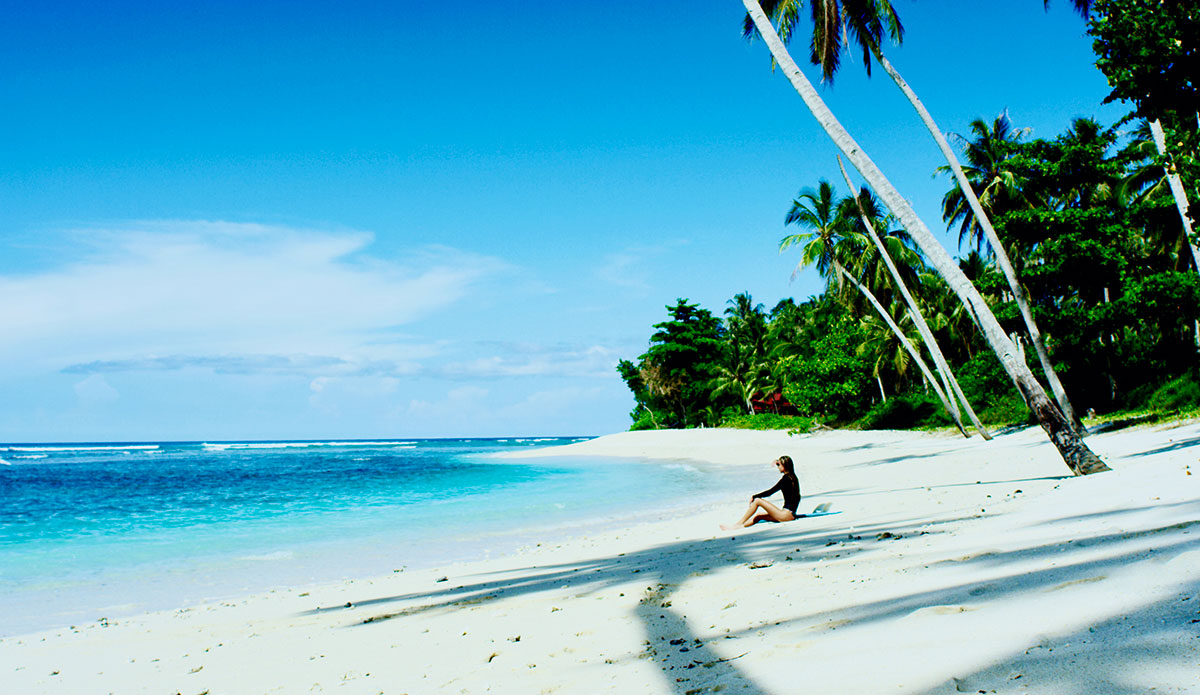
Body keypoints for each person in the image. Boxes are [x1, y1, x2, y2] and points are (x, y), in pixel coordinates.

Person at [721, 455, 800, 530]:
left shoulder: (785, 479)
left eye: (779, 465)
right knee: (758, 516)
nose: (778, 467)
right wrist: (777, 461)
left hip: (785, 515)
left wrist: (754, 496)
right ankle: (739, 527)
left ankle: (738, 523)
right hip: (790, 515)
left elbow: (770, 492)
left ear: (784, 466)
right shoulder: (793, 477)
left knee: (758, 500)